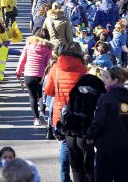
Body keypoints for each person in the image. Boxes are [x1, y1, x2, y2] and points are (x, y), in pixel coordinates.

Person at [86, 66, 128, 182]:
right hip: (126, 150)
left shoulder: (105, 98)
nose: (103, 80)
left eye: (106, 77)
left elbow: (98, 123)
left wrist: (89, 135)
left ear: (115, 80)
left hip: (106, 150)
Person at [44, 42, 87, 182]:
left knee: (64, 144)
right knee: (79, 145)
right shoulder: (83, 69)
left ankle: (64, 177)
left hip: (60, 111)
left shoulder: (55, 68)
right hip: (78, 112)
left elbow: (48, 91)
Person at [62, 74, 106, 182]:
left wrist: (62, 128)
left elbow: (65, 112)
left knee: (76, 169)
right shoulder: (98, 95)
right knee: (89, 169)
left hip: (70, 135)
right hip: (86, 136)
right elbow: (98, 119)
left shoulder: (74, 92)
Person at [16, 28, 53, 126]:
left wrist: (18, 72)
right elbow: (48, 64)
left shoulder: (28, 46)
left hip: (28, 74)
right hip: (41, 76)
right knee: (41, 95)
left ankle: (36, 119)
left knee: (32, 96)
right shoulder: (48, 48)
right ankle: (42, 112)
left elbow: (22, 59)